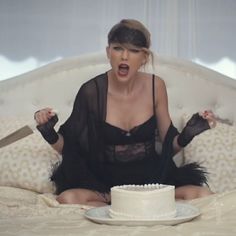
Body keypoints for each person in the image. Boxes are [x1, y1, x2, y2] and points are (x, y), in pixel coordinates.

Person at [34, 19, 216, 206]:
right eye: (118, 48)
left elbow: (168, 148)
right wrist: (48, 132)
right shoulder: (91, 91)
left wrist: (188, 134)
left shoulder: (156, 86)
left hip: (152, 185)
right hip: (106, 189)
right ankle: (120, 208)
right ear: (108, 52)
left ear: (144, 57)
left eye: (134, 50)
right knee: (68, 198)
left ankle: (136, 207)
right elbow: (69, 148)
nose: (125, 57)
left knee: (203, 194)